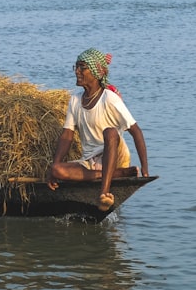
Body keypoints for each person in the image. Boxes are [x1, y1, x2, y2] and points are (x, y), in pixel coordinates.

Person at [46, 48, 150, 211]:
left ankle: (104, 193)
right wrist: (54, 170)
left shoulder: (109, 98)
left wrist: (145, 168)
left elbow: (136, 130)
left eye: (82, 67)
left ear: (96, 72)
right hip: (91, 161)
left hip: (115, 153)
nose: (77, 72)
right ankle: (119, 174)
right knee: (56, 169)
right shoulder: (75, 100)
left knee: (110, 132)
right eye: (76, 67)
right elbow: (67, 136)